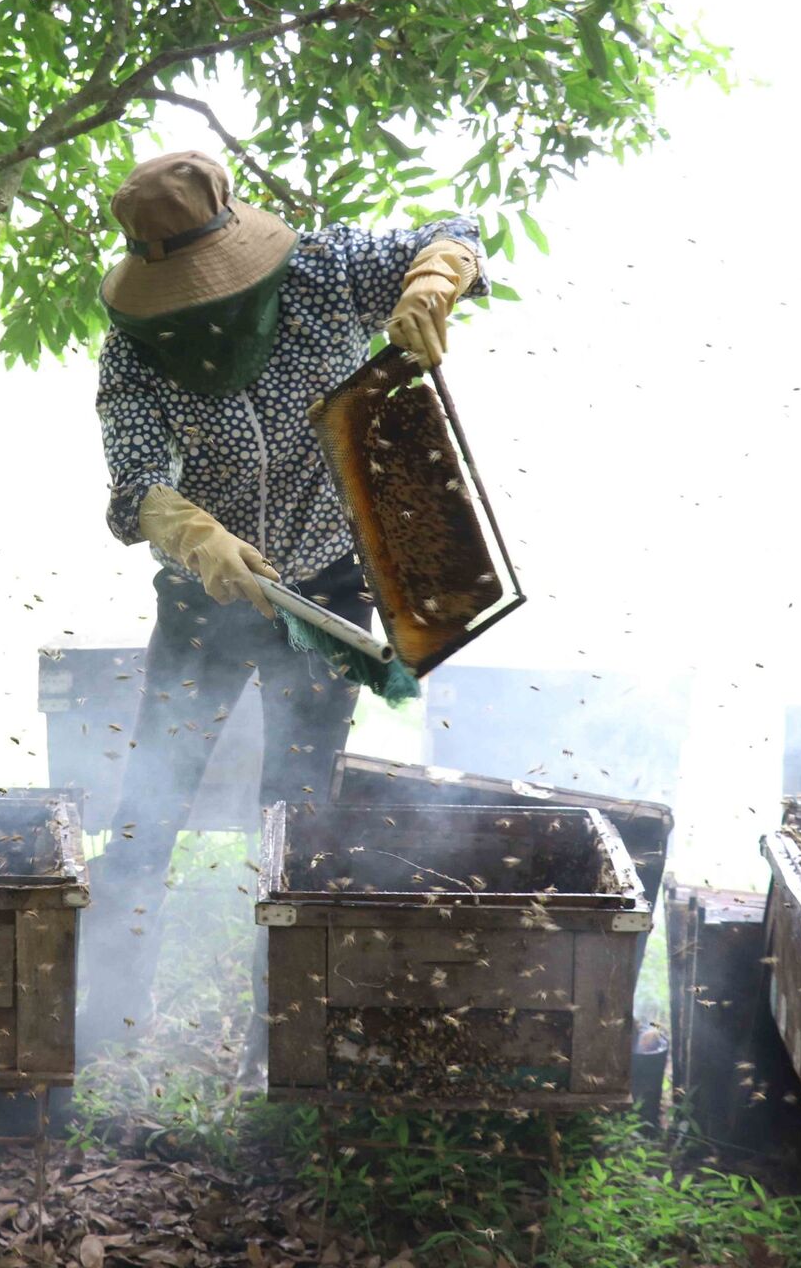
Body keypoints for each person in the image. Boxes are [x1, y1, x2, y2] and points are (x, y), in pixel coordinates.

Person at [80, 150, 487, 1055]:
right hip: (206, 603)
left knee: (296, 818)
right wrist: (191, 531)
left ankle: (286, 1043)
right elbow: (137, 478)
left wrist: (430, 282)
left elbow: (453, 229)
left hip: (331, 590)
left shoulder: (322, 270)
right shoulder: (136, 348)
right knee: (151, 810)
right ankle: (97, 1031)